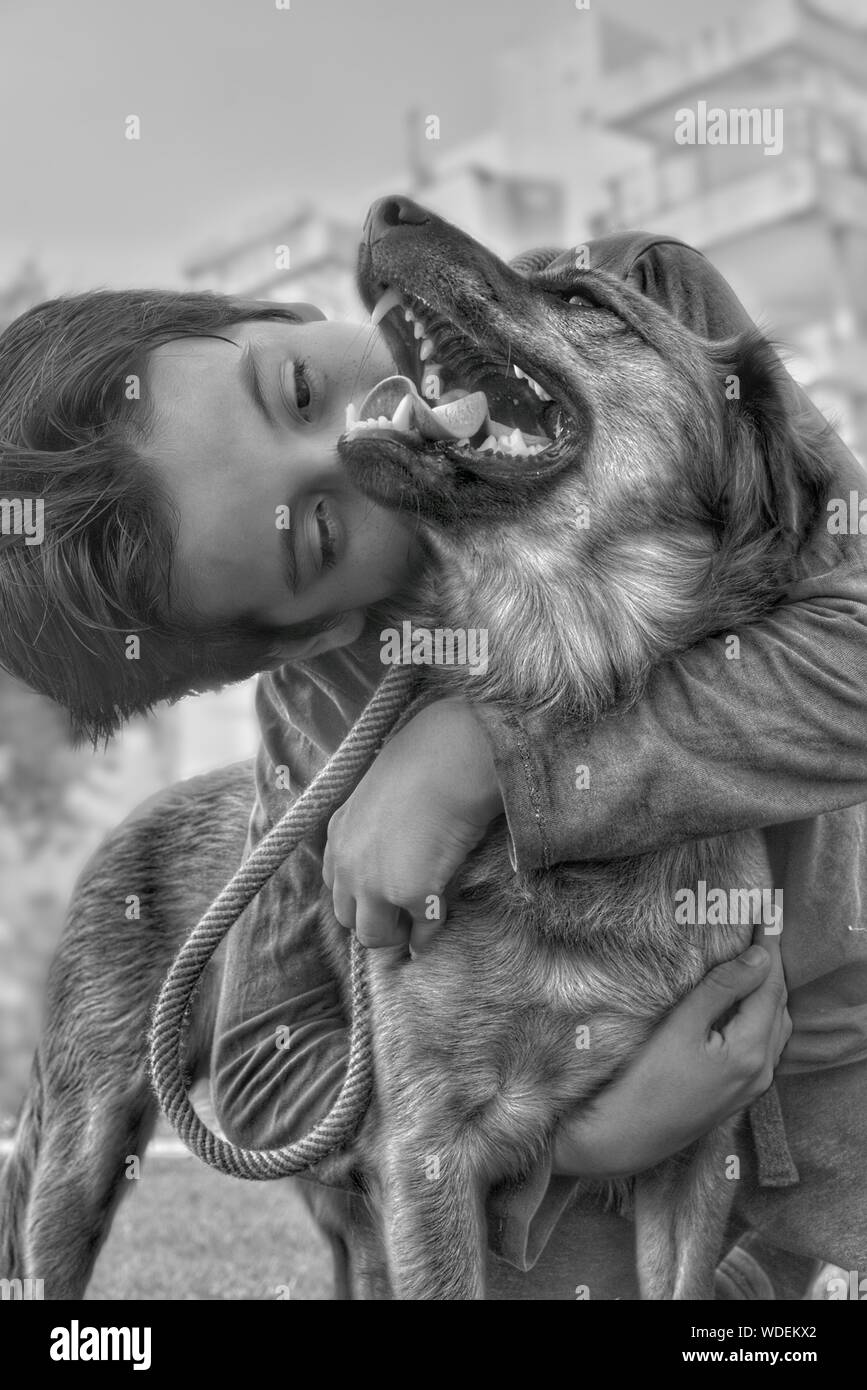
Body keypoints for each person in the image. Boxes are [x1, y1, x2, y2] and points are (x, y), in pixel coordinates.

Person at [1, 225, 865, 1298]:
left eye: (299, 388)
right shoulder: (316, 724)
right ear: (306, 635)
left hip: (828, 1116)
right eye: (317, 532)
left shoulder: (625, 309)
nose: (353, 437)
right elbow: (269, 1069)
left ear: (283, 316)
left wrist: (485, 757)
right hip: (580, 1205)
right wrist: (578, 1139)